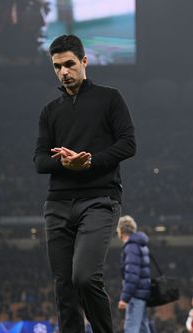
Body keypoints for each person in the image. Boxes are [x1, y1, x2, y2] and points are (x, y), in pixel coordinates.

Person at [34, 34, 136, 333]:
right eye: (57, 67)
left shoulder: (110, 98)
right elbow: (39, 160)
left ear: (84, 62)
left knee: (84, 277)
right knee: (64, 288)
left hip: (100, 199)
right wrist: (63, 163)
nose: (63, 72)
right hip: (58, 203)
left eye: (69, 64)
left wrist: (90, 160)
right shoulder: (50, 112)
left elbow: (129, 145)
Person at [116, 215, 152, 333]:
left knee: (131, 327)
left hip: (135, 294)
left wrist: (125, 298)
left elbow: (132, 275)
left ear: (121, 230)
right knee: (142, 327)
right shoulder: (140, 244)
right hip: (142, 292)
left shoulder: (131, 246)